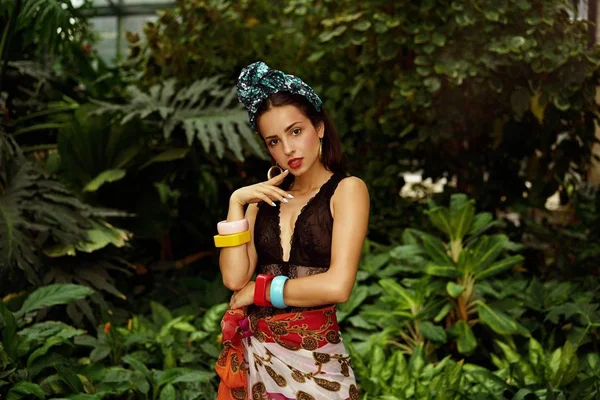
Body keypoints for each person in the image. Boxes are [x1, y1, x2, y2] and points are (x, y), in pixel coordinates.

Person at [214, 61, 369, 400]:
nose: (287, 149)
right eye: (274, 141)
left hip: (318, 363)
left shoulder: (347, 191)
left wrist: (260, 292)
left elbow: (338, 285)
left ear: (320, 127)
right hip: (259, 360)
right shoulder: (260, 202)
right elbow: (233, 279)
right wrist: (237, 202)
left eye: (296, 131)